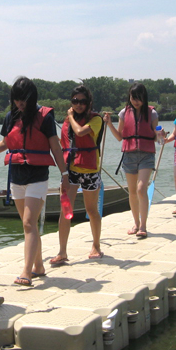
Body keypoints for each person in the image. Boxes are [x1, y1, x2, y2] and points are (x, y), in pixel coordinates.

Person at [0, 77, 68, 286]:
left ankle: (27, 271)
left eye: (23, 99)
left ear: (32, 98)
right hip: (16, 176)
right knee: (28, 225)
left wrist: (65, 174)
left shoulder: (45, 117)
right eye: (16, 99)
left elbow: (56, 148)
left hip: (37, 176)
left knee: (28, 223)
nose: (20, 103)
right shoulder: (10, 117)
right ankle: (39, 266)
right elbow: (6, 143)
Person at [51, 85, 105, 265]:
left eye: (82, 101)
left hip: (89, 171)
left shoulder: (96, 120)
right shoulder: (67, 121)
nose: (79, 105)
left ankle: (96, 245)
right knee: (66, 211)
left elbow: (81, 131)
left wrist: (72, 117)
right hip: (70, 171)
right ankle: (62, 252)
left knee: (91, 209)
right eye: (75, 101)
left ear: (88, 103)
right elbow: (62, 143)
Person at [103, 82, 163, 239]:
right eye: (133, 97)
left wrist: (160, 134)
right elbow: (119, 137)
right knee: (132, 191)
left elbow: (157, 138)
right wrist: (109, 124)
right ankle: (136, 223)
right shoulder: (124, 113)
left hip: (146, 154)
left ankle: (143, 226)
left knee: (141, 189)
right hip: (129, 155)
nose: (136, 101)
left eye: (139, 98)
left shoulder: (153, 114)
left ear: (144, 98)